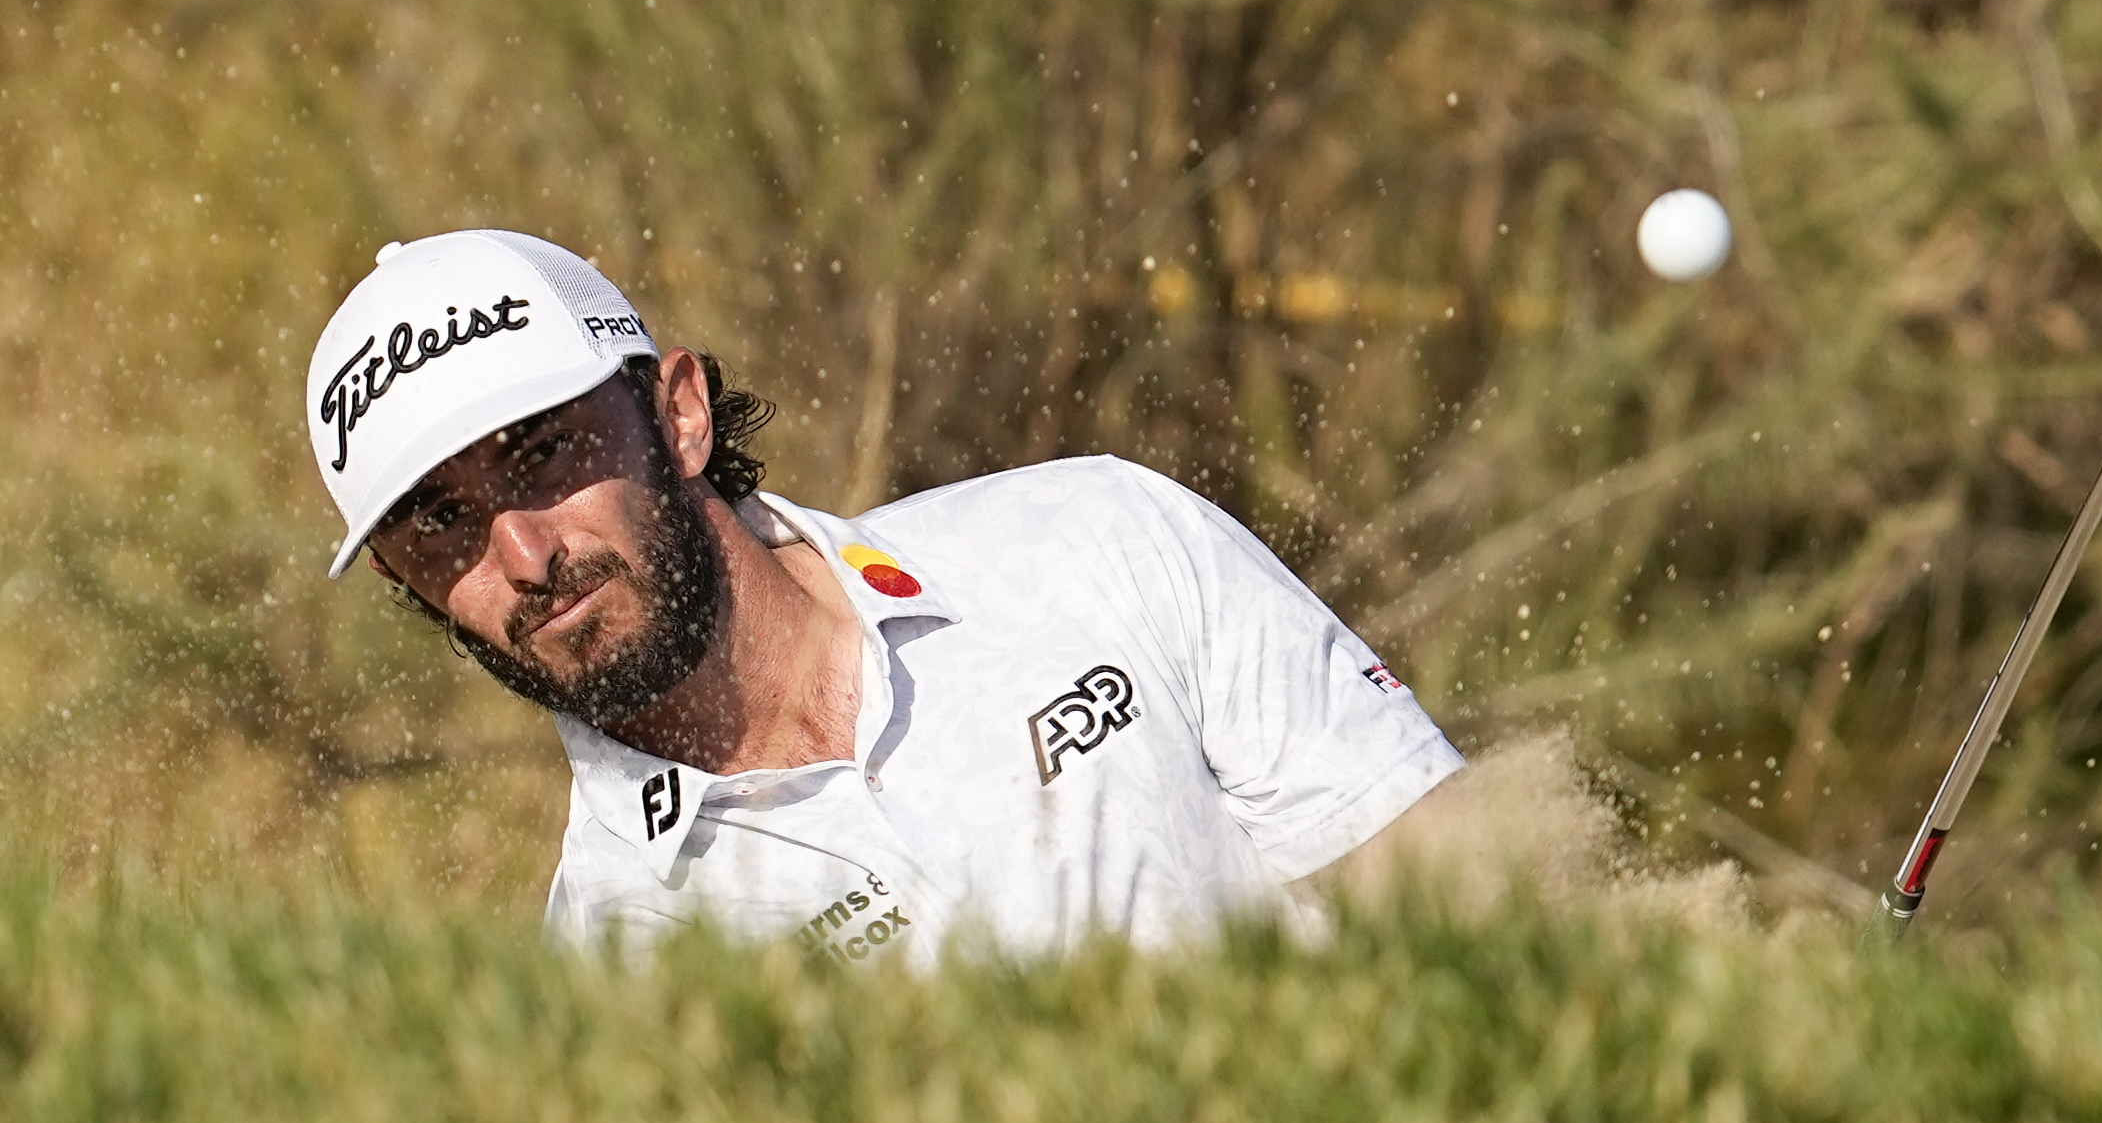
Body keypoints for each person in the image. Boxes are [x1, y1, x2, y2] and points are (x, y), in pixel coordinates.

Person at [306, 229, 1464, 960]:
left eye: (546, 453)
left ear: (680, 414)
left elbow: (1444, 894)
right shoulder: (624, 959)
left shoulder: (1093, 535)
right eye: (441, 523)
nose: (520, 552)